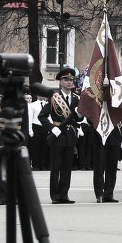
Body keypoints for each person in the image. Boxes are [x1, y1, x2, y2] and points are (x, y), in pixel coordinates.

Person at [39, 66, 81, 204]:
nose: (69, 82)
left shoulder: (76, 98)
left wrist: (79, 115)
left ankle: (64, 194)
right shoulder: (54, 98)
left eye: (71, 79)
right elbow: (43, 116)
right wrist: (52, 128)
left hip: (70, 136)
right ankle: (55, 196)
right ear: (60, 82)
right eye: (66, 79)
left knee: (67, 167)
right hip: (58, 134)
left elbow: (78, 119)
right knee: (56, 166)